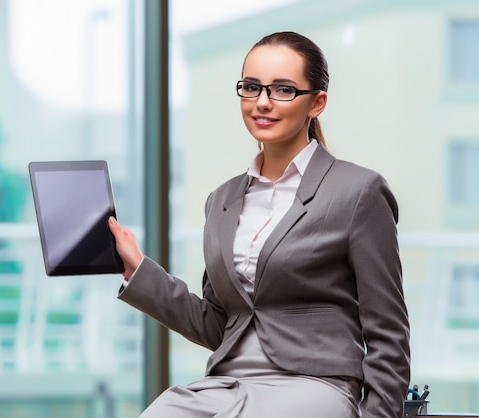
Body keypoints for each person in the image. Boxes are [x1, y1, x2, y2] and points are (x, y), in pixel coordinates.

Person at [108, 31, 410, 418]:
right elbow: (219, 324)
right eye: (252, 88)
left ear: (316, 103)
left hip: (315, 387)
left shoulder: (358, 192)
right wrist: (138, 270)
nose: (262, 102)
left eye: (283, 90)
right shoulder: (222, 201)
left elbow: (389, 334)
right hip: (227, 386)